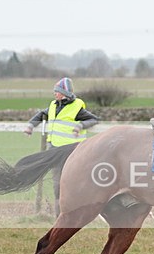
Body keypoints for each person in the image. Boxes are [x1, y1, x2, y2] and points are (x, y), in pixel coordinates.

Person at [23, 77, 99, 215]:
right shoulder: (53, 105)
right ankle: (59, 217)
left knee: (73, 184)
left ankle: (77, 212)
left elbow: (93, 119)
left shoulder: (77, 107)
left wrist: (80, 125)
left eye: (57, 91)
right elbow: (40, 114)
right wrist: (30, 126)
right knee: (57, 185)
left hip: (72, 151)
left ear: (64, 93)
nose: (54, 93)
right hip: (55, 151)